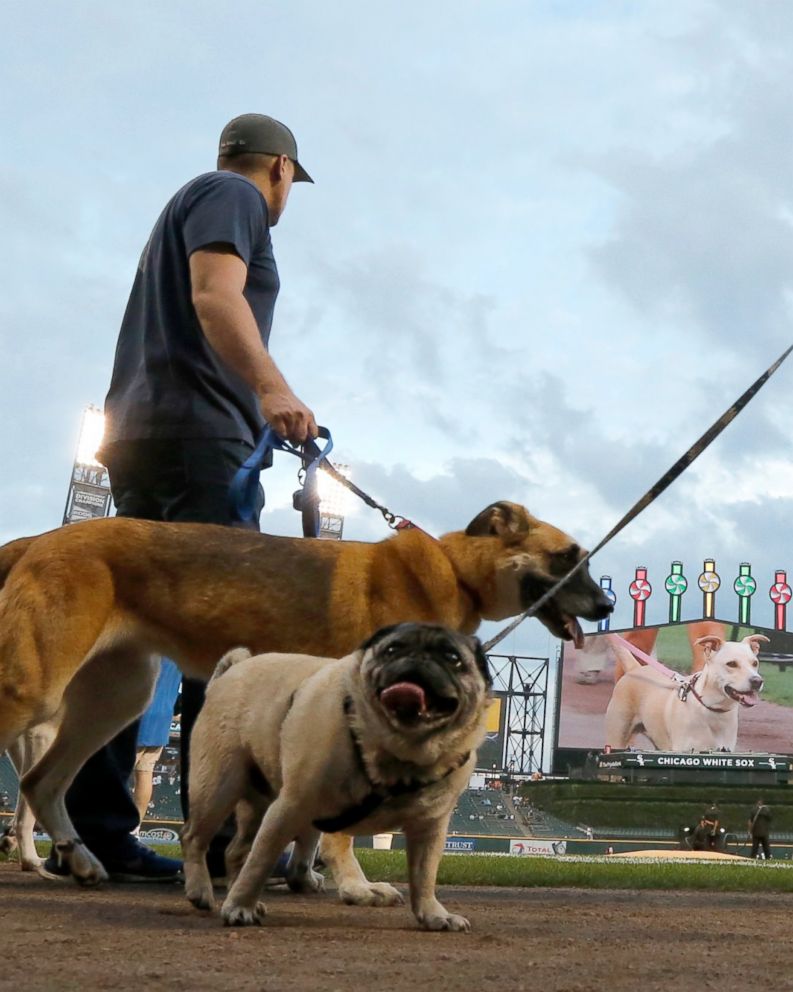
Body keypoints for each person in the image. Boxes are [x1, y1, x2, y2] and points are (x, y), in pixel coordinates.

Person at [46, 114, 317, 881]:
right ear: (278, 170)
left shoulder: (193, 197)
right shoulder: (232, 194)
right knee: (224, 645)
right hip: (200, 441)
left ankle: (97, 834)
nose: (286, 193)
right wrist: (273, 389)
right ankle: (227, 843)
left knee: (124, 640)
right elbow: (215, 295)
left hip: (143, 433)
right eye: (290, 182)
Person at [132, 659, 182, 826]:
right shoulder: (178, 651)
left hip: (138, 715)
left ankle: (117, 828)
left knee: (120, 774)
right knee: (145, 773)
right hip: (163, 717)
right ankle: (135, 828)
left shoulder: (152, 644)